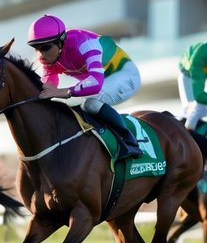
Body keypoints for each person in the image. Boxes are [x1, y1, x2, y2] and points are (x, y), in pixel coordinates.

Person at [26, 14, 143, 161]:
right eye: (35, 48)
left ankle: (129, 141)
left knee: (91, 103)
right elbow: (49, 83)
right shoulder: (50, 57)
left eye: (45, 48)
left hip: (125, 76)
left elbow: (95, 83)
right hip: (102, 81)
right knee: (66, 105)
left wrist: (64, 92)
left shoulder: (83, 43)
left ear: (61, 41)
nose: (41, 54)